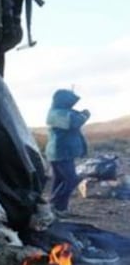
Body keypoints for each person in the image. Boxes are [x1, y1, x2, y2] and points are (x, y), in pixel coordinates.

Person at [44, 88, 90, 218]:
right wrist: (84, 115)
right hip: (60, 151)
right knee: (71, 180)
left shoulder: (59, 112)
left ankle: (60, 209)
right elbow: (74, 122)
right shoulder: (56, 113)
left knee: (60, 180)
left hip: (61, 151)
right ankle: (52, 205)